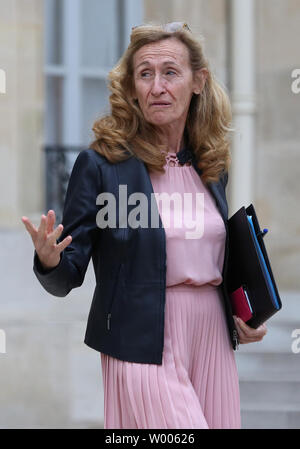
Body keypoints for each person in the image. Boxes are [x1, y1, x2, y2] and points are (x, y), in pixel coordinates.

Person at [22, 22, 267, 429]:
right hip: (140, 336)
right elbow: (68, 275)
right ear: (132, 87)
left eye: (170, 72)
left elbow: (213, 255)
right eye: (145, 74)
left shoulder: (210, 166)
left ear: (198, 82)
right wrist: (49, 261)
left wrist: (245, 313)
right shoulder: (101, 166)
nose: (157, 86)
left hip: (212, 338)